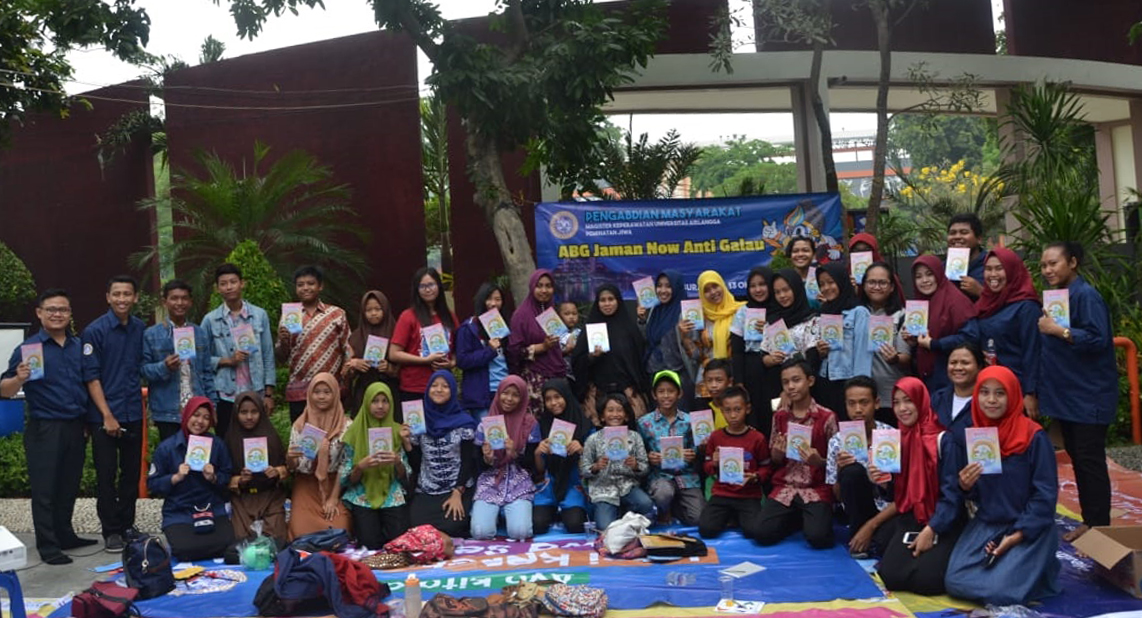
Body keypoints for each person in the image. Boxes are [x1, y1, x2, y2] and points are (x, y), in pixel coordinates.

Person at [944, 366, 1060, 606]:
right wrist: (966, 485)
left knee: (999, 593)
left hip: (1028, 527)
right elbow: (978, 493)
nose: (991, 400)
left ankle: (1033, 570)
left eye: (1000, 393)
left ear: (1013, 396)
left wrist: (1015, 536)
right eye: (984, 393)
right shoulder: (977, 437)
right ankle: (1020, 573)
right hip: (988, 524)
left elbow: (1045, 495)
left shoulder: (1033, 436)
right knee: (955, 581)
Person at [1, 289, 95, 565]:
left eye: (63, 310)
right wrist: (18, 378)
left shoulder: (79, 347)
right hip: (45, 428)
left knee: (68, 485)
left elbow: (88, 386)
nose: (57, 314)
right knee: (46, 489)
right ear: (39, 313)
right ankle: (48, 544)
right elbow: (4, 390)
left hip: (76, 426)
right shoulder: (28, 349)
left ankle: (66, 535)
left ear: (69, 314)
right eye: (51, 309)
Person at [1037, 241, 1117, 542]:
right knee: (1079, 458)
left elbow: (1098, 339)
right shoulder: (1059, 298)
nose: (1047, 270)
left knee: (1090, 460)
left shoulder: (1086, 295)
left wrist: (1059, 331)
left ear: (1072, 262)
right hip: (1067, 396)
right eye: (1044, 265)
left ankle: (1099, 526)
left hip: (1089, 396)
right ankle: (1091, 520)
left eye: (1053, 263)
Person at [919, 247, 1041, 416]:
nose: (993, 274)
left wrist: (1030, 392)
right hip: (989, 387)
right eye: (988, 269)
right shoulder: (986, 303)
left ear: (1012, 270)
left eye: (999, 268)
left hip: (1015, 386)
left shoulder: (1026, 307)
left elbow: (1032, 352)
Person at [871, 378, 961, 596]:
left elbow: (953, 495)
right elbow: (898, 495)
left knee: (927, 582)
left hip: (943, 518)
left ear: (922, 401)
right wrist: (883, 483)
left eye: (908, 401)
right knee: (891, 577)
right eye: (897, 402)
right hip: (911, 515)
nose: (902, 409)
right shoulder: (896, 441)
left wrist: (932, 529)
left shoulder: (943, 440)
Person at [83, 275, 146, 552]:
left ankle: (127, 525)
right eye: (116, 294)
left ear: (135, 298)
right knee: (106, 475)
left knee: (130, 474)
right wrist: (107, 415)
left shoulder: (139, 328)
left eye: (127, 294)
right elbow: (91, 377)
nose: (122, 299)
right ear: (108, 297)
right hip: (104, 416)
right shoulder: (94, 331)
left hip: (133, 411)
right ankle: (111, 531)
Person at [755, 361, 837, 549]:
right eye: (785, 382)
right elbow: (775, 460)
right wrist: (776, 453)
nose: (791, 386)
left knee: (818, 538)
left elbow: (836, 463)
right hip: (786, 486)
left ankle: (809, 518)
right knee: (761, 534)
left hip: (816, 488)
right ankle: (798, 517)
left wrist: (820, 461)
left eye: (796, 380)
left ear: (810, 381)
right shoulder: (780, 416)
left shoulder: (827, 417)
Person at [147, 397, 235, 561]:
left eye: (206, 417)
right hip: (179, 511)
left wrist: (214, 477)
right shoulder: (167, 448)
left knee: (227, 544)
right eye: (196, 415)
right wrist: (175, 477)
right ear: (186, 415)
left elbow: (227, 477)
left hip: (212, 508)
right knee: (184, 550)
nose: (200, 421)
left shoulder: (217, 445)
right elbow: (153, 484)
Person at [202, 263, 276, 439]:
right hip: (225, 394)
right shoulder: (210, 320)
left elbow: (267, 354)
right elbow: (202, 359)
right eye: (223, 283)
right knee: (227, 440)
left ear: (242, 283)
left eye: (233, 282)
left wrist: (268, 393)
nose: (229, 287)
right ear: (217, 288)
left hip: (255, 391)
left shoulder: (259, 315)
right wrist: (227, 360)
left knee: (256, 441)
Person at [825, 376, 894, 558]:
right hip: (857, 511)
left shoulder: (892, 437)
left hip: (889, 510)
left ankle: (869, 535)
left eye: (864, 403)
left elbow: (904, 496)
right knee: (852, 471)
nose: (858, 410)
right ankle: (858, 534)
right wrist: (841, 472)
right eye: (852, 403)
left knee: (885, 544)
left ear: (877, 403)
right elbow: (838, 496)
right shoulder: (837, 442)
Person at [407, 370, 479, 538]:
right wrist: (406, 442)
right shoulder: (418, 421)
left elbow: (468, 461)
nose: (439, 390)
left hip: (456, 486)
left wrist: (457, 492)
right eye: (434, 385)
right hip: (428, 487)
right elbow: (417, 463)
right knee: (416, 525)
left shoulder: (464, 422)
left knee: (452, 525)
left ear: (453, 391)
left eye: (445, 386)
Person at [339, 382, 411, 548]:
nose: (380, 406)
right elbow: (345, 478)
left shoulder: (398, 431)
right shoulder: (353, 433)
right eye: (375, 401)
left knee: (398, 543)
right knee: (369, 543)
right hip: (363, 494)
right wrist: (360, 467)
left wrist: (397, 462)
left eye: (385, 401)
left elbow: (405, 475)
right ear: (366, 403)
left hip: (391, 493)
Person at [276, 266, 352, 422]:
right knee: (303, 440)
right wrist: (283, 341)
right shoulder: (289, 316)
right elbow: (281, 358)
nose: (305, 288)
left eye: (310, 283)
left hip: (330, 389)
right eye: (300, 284)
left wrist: (347, 379)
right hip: (299, 392)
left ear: (320, 286)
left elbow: (348, 349)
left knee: (332, 437)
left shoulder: (336, 314)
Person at [142, 279, 216, 441]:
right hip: (167, 410)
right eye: (174, 298)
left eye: (184, 298)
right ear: (165, 302)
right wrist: (164, 366)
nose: (179, 303)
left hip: (197, 408)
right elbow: (143, 371)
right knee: (172, 457)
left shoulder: (199, 333)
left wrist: (212, 406)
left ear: (190, 302)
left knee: (197, 458)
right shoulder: (151, 334)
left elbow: (207, 373)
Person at [471, 376, 540, 540]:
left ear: (522, 397)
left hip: (519, 482)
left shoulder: (530, 424)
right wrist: (487, 458)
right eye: (505, 393)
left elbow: (532, 465)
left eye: (515, 395)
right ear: (498, 394)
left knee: (520, 532)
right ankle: (497, 515)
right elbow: (477, 464)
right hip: (490, 482)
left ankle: (508, 515)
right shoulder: (485, 424)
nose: (509, 399)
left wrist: (514, 453)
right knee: (480, 532)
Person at [698, 386, 771, 539]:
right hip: (722, 492)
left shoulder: (757, 438)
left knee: (753, 531)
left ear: (748, 408)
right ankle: (731, 516)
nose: (733, 415)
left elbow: (767, 467)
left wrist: (755, 477)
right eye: (727, 410)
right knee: (706, 529)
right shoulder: (715, 437)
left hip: (748, 494)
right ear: (721, 411)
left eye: (738, 409)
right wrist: (714, 464)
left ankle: (735, 517)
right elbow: (706, 467)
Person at [285, 373, 351, 539]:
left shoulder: (346, 426)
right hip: (306, 484)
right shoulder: (300, 425)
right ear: (310, 395)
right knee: (300, 532)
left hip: (334, 484)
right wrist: (290, 458)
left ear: (335, 394)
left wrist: (333, 498)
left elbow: (346, 464)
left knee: (339, 529)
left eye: (327, 392)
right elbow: (293, 468)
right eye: (317, 392)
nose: (321, 397)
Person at [638, 371, 704, 526]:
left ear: (679, 393)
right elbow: (639, 451)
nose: (666, 396)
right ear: (654, 395)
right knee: (663, 494)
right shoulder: (644, 423)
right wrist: (649, 457)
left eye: (671, 391)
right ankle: (663, 508)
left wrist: (692, 454)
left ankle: (675, 507)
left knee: (698, 519)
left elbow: (698, 448)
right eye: (661, 391)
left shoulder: (690, 421)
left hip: (687, 477)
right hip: (660, 477)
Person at [573, 284, 648, 421]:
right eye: (603, 300)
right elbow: (577, 361)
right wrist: (591, 357)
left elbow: (640, 357)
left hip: (628, 393)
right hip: (598, 394)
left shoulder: (629, 328)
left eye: (611, 299)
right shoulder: (589, 329)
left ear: (618, 301)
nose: (607, 304)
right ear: (597, 303)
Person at [579, 393, 653, 530]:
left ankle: (624, 513)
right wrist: (595, 467)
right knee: (605, 528)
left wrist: (636, 466)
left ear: (626, 415)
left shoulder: (635, 437)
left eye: (619, 410)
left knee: (646, 504)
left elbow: (645, 468)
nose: (615, 414)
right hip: (603, 490)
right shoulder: (593, 439)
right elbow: (584, 469)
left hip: (628, 487)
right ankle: (615, 515)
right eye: (610, 410)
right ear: (602, 416)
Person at [389, 267, 459, 410]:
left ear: (439, 286)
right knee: (416, 431)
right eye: (423, 286)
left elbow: (459, 349)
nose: (428, 290)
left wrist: (451, 364)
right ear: (417, 290)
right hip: (414, 387)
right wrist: (425, 360)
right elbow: (394, 353)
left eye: (431, 285)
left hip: (443, 387)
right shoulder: (408, 316)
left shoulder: (449, 316)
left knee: (441, 429)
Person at [905, 255, 976, 393]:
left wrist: (935, 344)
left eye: (929, 274)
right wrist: (913, 340)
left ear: (938, 274)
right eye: (918, 276)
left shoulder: (955, 301)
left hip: (952, 379)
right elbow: (925, 337)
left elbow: (970, 337)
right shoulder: (921, 302)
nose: (924, 281)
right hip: (928, 378)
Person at [224, 391, 289, 542]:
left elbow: (286, 469)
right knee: (242, 540)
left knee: (276, 541)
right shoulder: (230, 440)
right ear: (236, 414)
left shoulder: (271, 437)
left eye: (254, 412)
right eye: (244, 412)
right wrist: (240, 479)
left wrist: (277, 472)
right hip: (242, 497)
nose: (249, 417)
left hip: (270, 496)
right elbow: (223, 477)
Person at [532, 378, 592, 535]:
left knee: (575, 525)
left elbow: (594, 464)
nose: (553, 403)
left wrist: (582, 450)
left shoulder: (584, 425)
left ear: (567, 396)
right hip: (549, 484)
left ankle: (566, 510)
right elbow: (540, 469)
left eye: (557, 397)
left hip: (574, 484)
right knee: (537, 525)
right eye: (548, 399)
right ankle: (553, 509)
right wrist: (538, 453)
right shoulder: (542, 424)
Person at [814, 262, 872, 420]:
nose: (826, 288)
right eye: (822, 284)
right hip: (825, 381)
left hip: (847, 382)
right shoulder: (823, 311)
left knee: (851, 431)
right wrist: (821, 352)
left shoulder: (859, 313)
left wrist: (859, 388)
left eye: (831, 282)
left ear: (841, 281)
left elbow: (863, 353)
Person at [507, 270, 566, 417]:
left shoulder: (551, 311)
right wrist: (542, 347)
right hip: (535, 379)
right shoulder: (521, 315)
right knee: (539, 423)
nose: (544, 290)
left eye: (548, 286)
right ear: (532, 287)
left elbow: (557, 346)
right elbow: (514, 351)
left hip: (557, 374)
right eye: (539, 286)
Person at [860, 262, 912, 426]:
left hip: (891, 396)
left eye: (882, 283)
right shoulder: (856, 314)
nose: (876, 287)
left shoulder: (902, 316)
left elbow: (907, 357)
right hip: (861, 398)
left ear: (891, 287)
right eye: (871, 282)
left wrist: (895, 358)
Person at [640, 270, 700, 409]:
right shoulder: (655, 311)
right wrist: (642, 321)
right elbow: (649, 342)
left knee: (681, 423)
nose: (662, 290)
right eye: (659, 286)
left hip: (680, 379)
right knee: (659, 424)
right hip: (656, 378)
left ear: (676, 287)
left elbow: (696, 354)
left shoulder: (686, 313)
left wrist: (684, 335)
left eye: (668, 286)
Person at [762, 270, 821, 404]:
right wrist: (771, 359)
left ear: (796, 289)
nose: (782, 295)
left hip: (805, 389)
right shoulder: (772, 321)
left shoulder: (812, 320)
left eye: (786, 290)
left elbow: (812, 358)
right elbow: (763, 357)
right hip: (776, 386)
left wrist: (789, 388)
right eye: (777, 292)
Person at [730, 266, 775, 431]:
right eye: (753, 286)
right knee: (753, 416)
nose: (758, 289)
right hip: (751, 373)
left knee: (775, 414)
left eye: (762, 284)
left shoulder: (781, 310)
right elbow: (737, 350)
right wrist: (739, 381)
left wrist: (770, 330)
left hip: (776, 372)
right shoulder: (743, 312)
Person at [457, 283, 511, 421]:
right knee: (489, 437)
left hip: (506, 391)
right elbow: (462, 360)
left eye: (498, 299)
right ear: (481, 301)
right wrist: (489, 351)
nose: (493, 304)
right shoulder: (468, 328)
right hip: (482, 395)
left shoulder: (505, 327)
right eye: (489, 299)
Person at [343, 290, 399, 415]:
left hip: (390, 392)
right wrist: (354, 363)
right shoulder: (355, 337)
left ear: (385, 309)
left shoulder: (397, 333)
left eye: (378, 309)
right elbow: (345, 370)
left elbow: (406, 366)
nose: (373, 313)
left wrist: (390, 368)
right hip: (364, 392)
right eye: (368, 310)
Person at [930, 342, 984, 435]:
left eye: (965, 363)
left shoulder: (986, 402)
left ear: (979, 367)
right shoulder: (937, 399)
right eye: (953, 363)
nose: (958, 367)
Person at [696, 270, 744, 362]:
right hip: (709, 371)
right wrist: (685, 336)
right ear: (702, 294)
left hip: (737, 367)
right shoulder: (700, 316)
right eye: (706, 290)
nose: (713, 292)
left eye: (715, 286)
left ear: (722, 285)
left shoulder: (741, 311)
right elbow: (696, 355)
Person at [848, 233, 904, 306]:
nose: (862, 254)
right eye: (856, 251)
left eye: (867, 250)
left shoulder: (888, 275)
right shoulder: (845, 276)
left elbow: (898, 303)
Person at [947, 213, 987, 299]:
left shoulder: (991, 266)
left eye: (964, 232)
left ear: (979, 239)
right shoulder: (941, 268)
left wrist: (980, 291)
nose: (957, 237)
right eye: (952, 233)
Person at [692, 359, 732, 430]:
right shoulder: (701, 409)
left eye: (719, 380)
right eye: (709, 380)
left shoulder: (737, 409)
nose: (714, 385)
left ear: (730, 382)